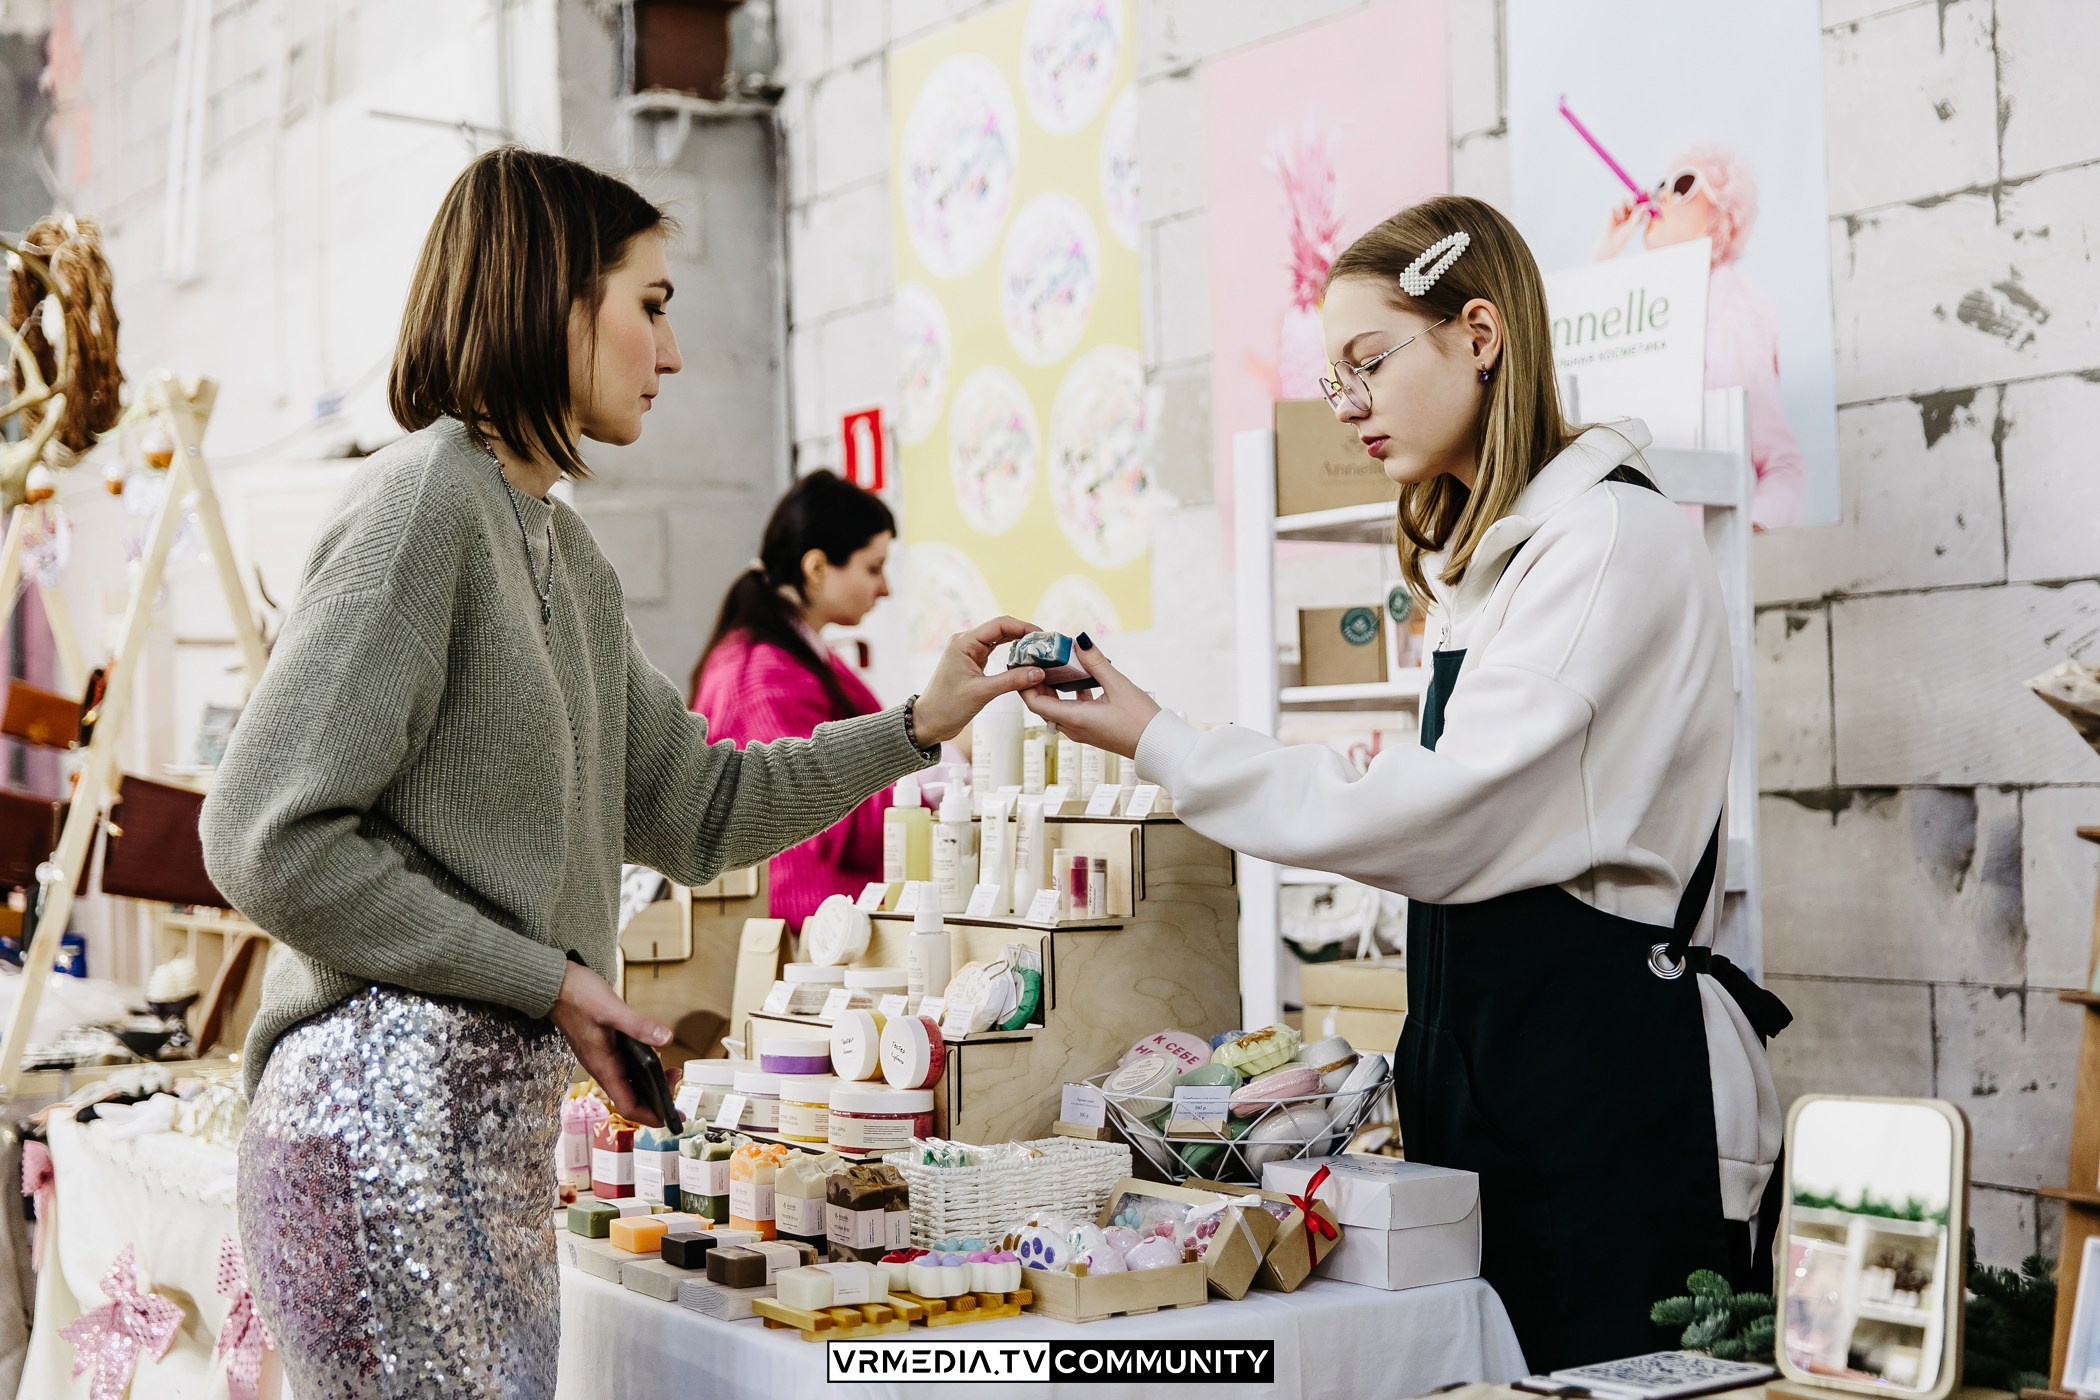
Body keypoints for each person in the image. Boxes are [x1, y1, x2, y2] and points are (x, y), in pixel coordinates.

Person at [198, 147, 1044, 1399]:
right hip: (380, 1129)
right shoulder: (425, 506)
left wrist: (918, 720)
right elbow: (262, 837)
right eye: (650, 304)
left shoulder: (556, 547)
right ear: (552, 299)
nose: (675, 350)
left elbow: (703, 809)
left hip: (474, 1135)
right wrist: (546, 978)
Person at [1031, 195, 1788, 1371]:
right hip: (1503, 1077)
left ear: (1479, 333)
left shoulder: (1607, 546)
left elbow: (1435, 812)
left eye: (1367, 363)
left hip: (1603, 1097)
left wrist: (1162, 737)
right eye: (1333, 378)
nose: (1349, 406)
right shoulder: (1499, 561)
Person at [689, 472, 904, 930]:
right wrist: (944, 768)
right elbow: (817, 808)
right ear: (817, 568)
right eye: (873, 567)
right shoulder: (765, 676)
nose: (884, 588)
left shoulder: (791, 655)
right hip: (804, 929)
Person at [1598, 143, 1805, 529]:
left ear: (1720, 221)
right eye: (1662, 183)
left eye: (1684, 185)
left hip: (1687, 553)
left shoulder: (1732, 308)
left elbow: (1780, 463)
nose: (1661, 194)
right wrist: (1607, 254)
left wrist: (1739, 539)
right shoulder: (1647, 299)